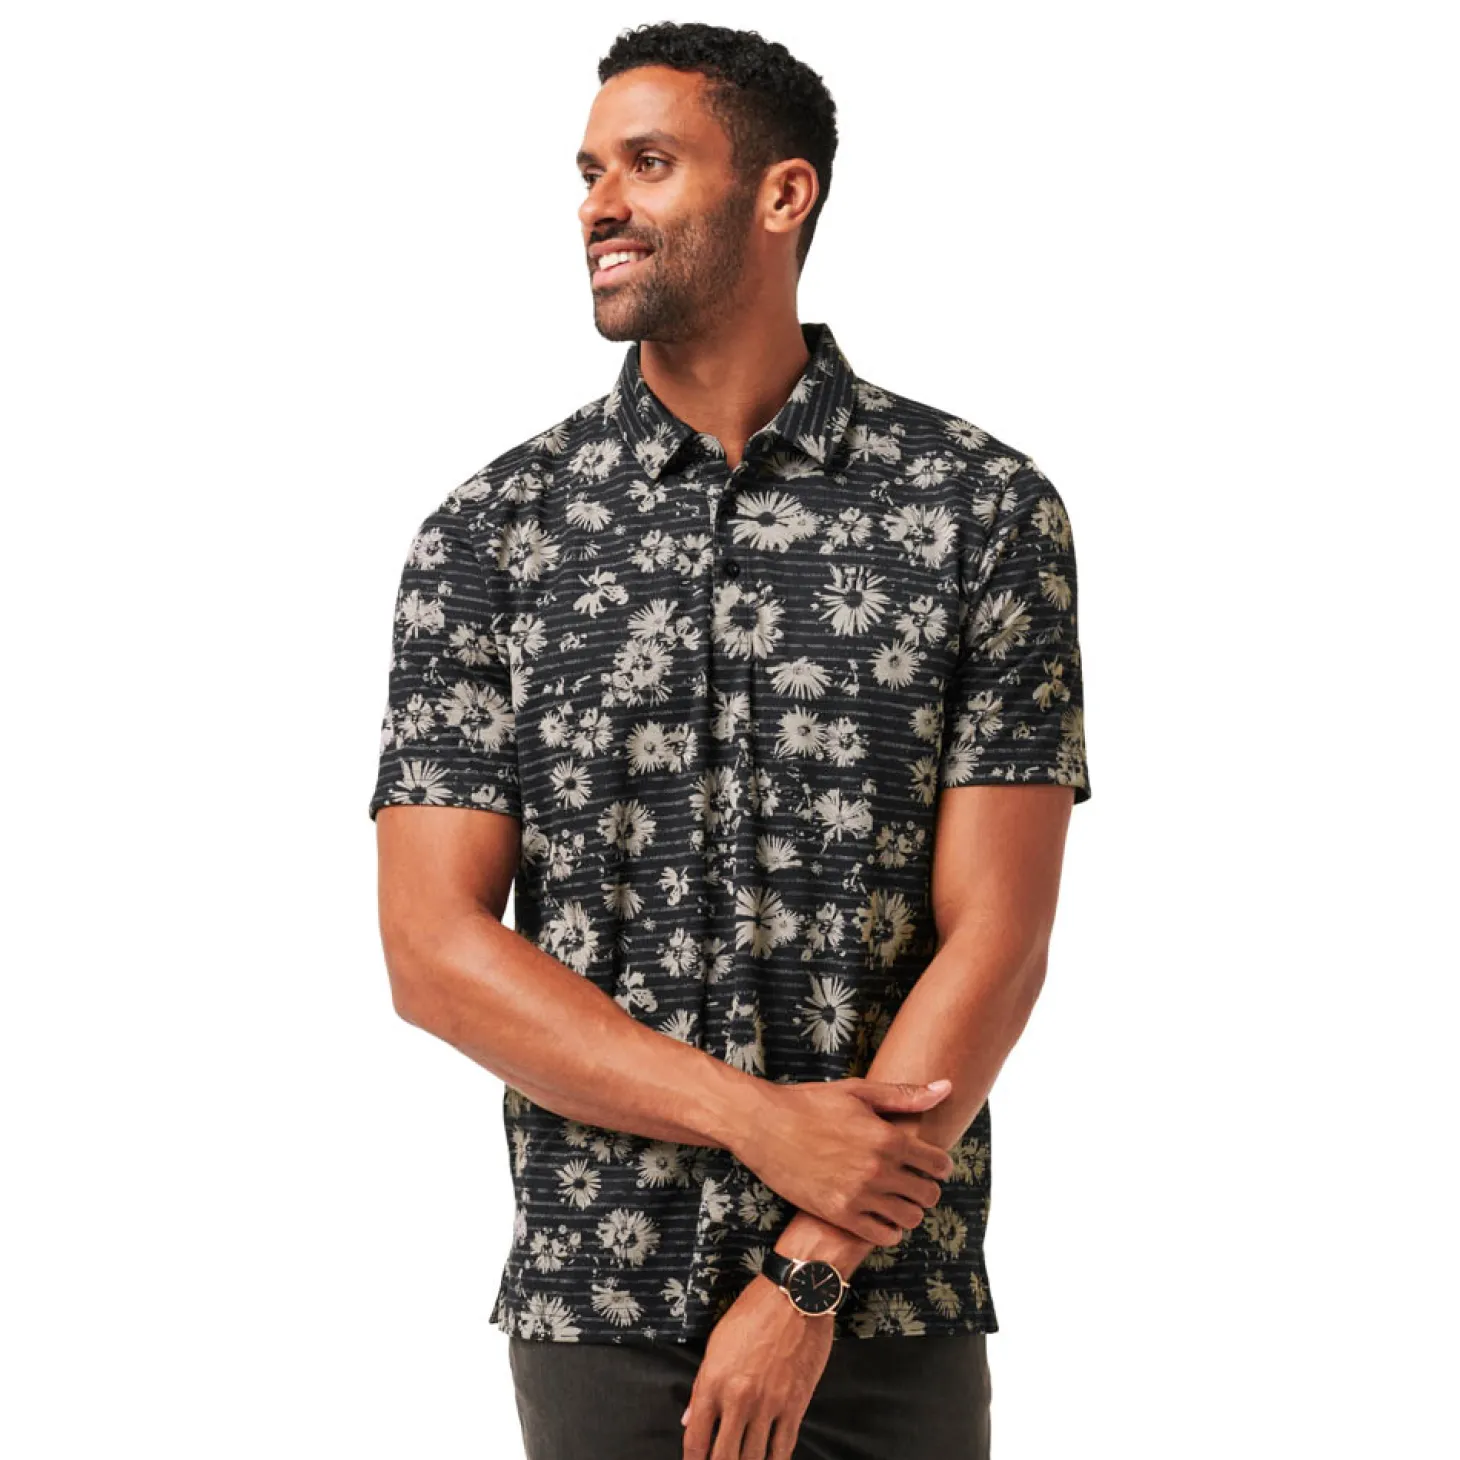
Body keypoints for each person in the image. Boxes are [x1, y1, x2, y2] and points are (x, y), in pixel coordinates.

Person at [369, 20, 1090, 1460]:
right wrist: (758, 1120)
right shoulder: (495, 536)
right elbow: (431, 951)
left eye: (646, 164)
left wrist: (810, 1270)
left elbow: (998, 940)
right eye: (588, 172)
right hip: (600, 1294)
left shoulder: (981, 511)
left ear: (782, 194)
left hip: (887, 1301)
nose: (599, 204)